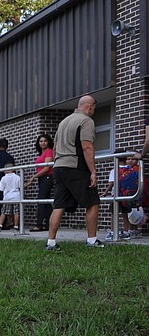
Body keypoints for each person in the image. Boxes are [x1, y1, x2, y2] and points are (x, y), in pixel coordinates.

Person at [46, 95, 104, 250]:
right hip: (75, 166)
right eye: (94, 107)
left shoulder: (63, 122)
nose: (93, 110)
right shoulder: (86, 121)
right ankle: (92, 241)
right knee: (93, 202)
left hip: (59, 167)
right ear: (90, 106)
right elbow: (87, 147)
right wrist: (93, 171)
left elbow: (55, 148)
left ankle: (50, 243)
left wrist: (57, 163)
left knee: (59, 205)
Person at [102, 153, 141, 240]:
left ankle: (113, 232)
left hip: (116, 195)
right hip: (127, 196)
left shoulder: (114, 170)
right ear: (125, 159)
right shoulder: (131, 169)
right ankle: (126, 232)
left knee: (113, 213)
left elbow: (111, 183)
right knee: (125, 214)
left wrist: (105, 192)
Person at [24, 133, 54, 232]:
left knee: (41, 200)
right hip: (42, 178)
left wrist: (33, 177)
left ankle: (39, 224)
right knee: (46, 200)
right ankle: (49, 224)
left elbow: (47, 168)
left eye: (45, 141)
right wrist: (33, 179)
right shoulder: (41, 154)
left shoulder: (49, 151)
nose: (43, 143)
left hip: (48, 176)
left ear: (48, 142)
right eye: (41, 141)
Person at [0, 164, 21, 231]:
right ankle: (16, 226)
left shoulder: (4, 178)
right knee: (16, 212)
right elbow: (21, 187)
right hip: (16, 196)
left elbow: (0, 189)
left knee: (4, 212)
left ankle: (0, 225)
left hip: (7, 197)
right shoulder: (18, 177)